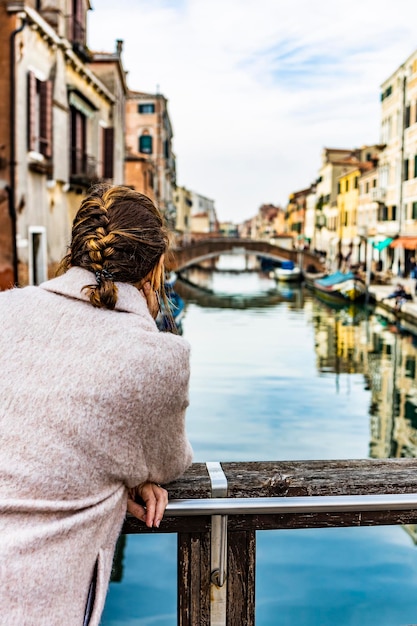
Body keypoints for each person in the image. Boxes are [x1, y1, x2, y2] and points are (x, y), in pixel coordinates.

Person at [0, 184, 193, 625]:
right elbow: (166, 461)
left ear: (75, 250)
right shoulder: (158, 357)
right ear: (156, 268)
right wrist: (132, 470)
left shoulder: (4, 309)